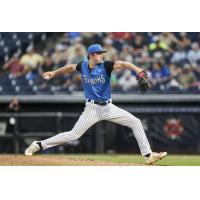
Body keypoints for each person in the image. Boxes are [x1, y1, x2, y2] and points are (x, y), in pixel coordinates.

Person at [25, 44, 167, 165]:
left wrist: (139, 71)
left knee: (136, 122)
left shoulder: (106, 66)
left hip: (108, 107)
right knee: (73, 135)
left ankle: (148, 156)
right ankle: (38, 145)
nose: (102, 56)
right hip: (92, 109)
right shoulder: (83, 66)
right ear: (92, 55)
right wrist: (54, 73)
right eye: (100, 54)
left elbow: (124, 64)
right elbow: (70, 68)